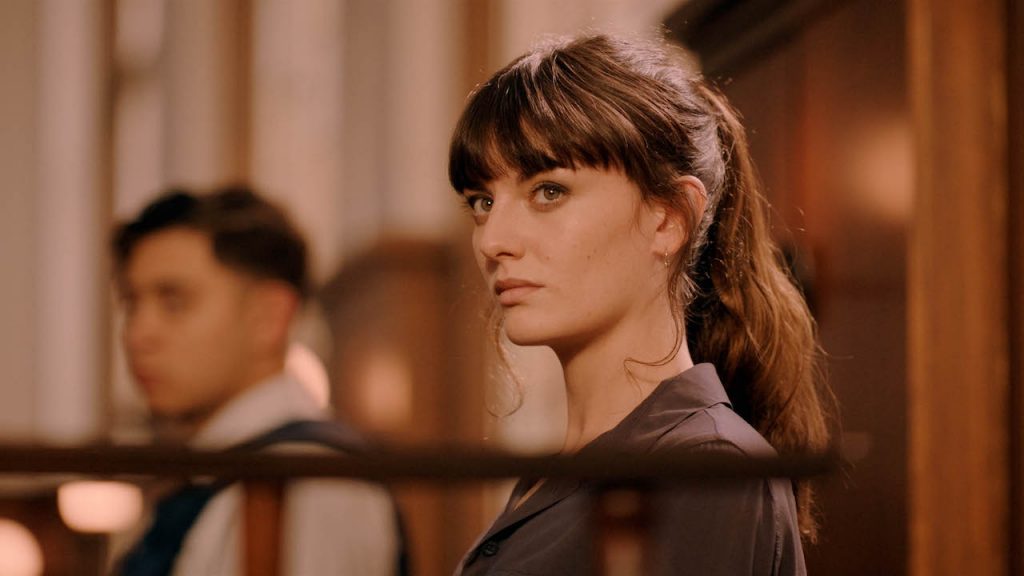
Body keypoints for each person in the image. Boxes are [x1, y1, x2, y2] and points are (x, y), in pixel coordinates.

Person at [448, 34, 831, 575]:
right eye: (482, 202)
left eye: (549, 191)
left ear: (669, 217)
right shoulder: (562, 474)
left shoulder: (705, 471)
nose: (492, 241)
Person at [110, 186, 405, 575]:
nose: (137, 334)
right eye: (131, 303)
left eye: (174, 302)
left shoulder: (307, 481)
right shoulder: (214, 472)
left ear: (269, 316)